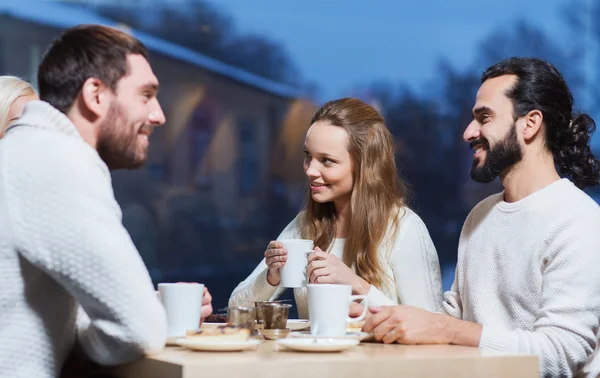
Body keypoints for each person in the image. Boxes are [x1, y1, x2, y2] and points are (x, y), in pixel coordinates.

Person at [363, 57, 600, 378]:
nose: (468, 132)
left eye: (484, 118)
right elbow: (449, 322)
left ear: (530, 124)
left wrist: (445, 329)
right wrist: (375, 310)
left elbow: (560, 355)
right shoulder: (481, 214)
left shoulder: (580, 220)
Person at [0, 25, 212, 378]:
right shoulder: (59, 162)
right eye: (146, 95)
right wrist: (144, 321)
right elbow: (138, 329)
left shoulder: (25, 152)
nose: (159, 115)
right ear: (95, 94)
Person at [229, 97, 443, 318]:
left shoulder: (404, 228)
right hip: (313, 353)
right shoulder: (304, 226)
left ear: (364, 166)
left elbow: (431, 326)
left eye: (326, 160)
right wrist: (270, 278)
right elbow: (235, 310)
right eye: (308, 156)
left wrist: (356, 284)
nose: (310, 170)